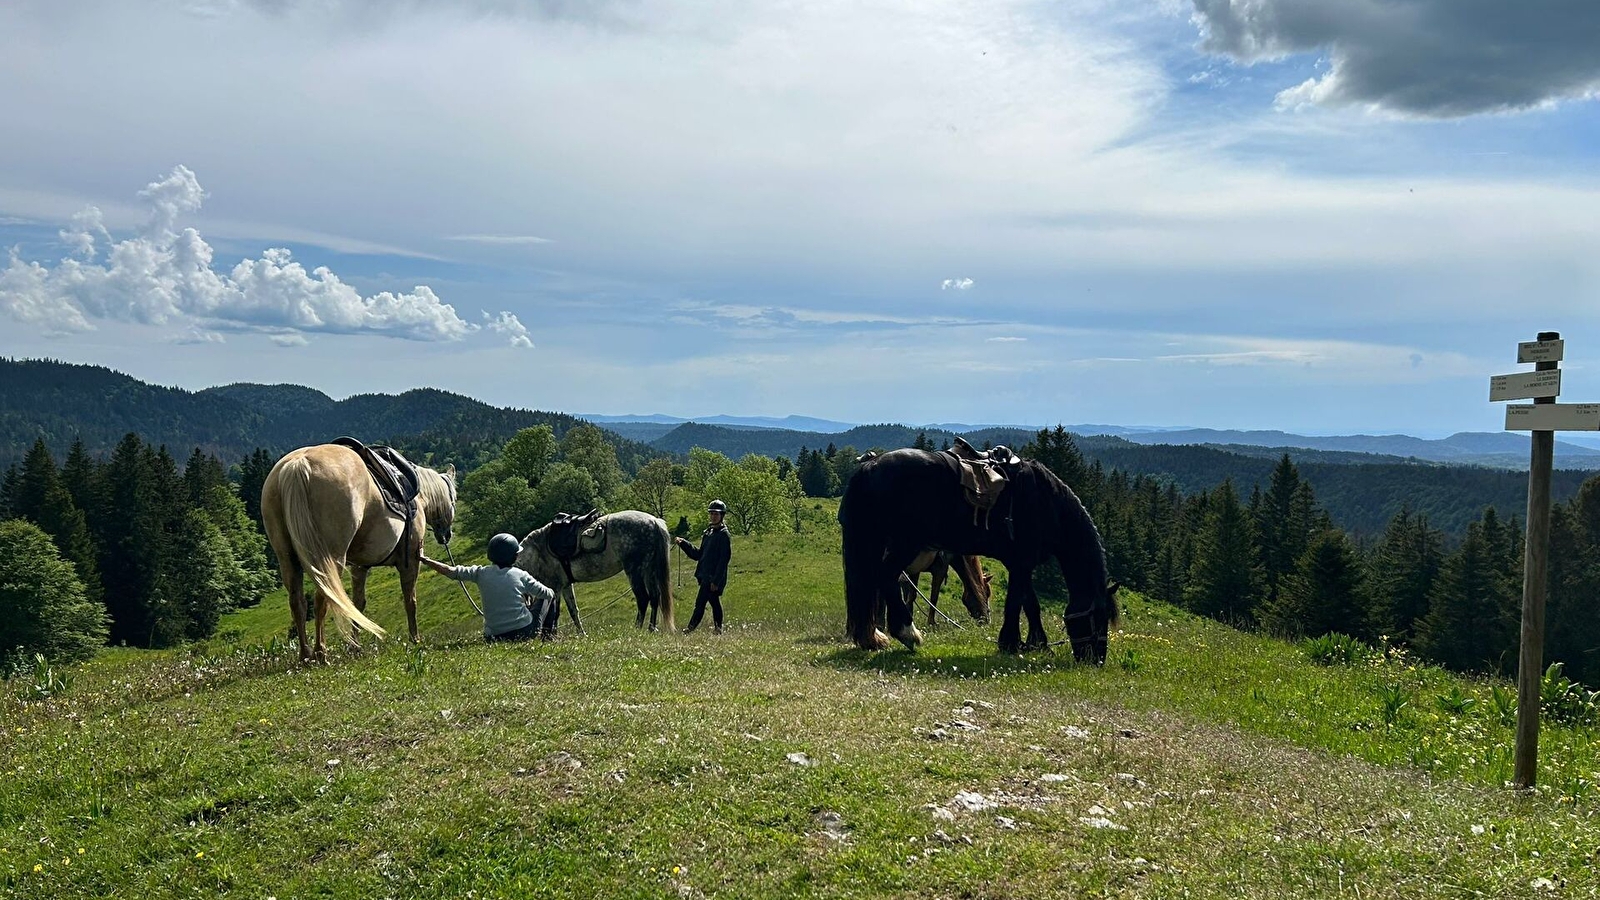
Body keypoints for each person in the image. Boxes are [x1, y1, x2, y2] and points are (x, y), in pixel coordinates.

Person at [420, 533, 555, 642]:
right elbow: (546, 594)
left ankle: (547, 635)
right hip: (523, 632)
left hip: (493, 637)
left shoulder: (480, 573)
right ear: (514, 557)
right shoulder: (521, 575)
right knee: (551, 595)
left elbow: (450, 571)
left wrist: (425, 559)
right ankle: (549, 636)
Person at [674, 499, 732, 634]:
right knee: (714, 602)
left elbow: (724, 560)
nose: (713, 516)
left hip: (712, 578)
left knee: (700, 603)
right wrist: (684, 544)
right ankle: (718, 629)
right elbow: (698, 554)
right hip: (704, 575)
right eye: (711, 514)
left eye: (716, 514)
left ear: (722, 516)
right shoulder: (708, 533)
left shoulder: (724, 535)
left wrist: (716, 581)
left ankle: (690, 628)